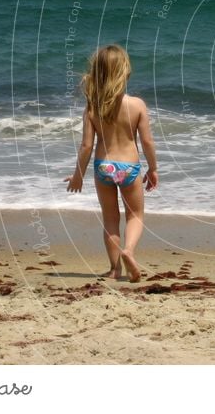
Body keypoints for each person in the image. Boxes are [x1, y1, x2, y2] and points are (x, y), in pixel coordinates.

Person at [64, 44, 158, 282]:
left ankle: (115, 270)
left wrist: (77, 175)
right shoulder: (137, 105)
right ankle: (129, 251)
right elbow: (147, 142)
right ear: (125, 72)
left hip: (104, 168)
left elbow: (86, 146)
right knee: (135, 215)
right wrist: (153, 168)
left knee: (110, 219)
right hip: (129, 168)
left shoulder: (92, 107)